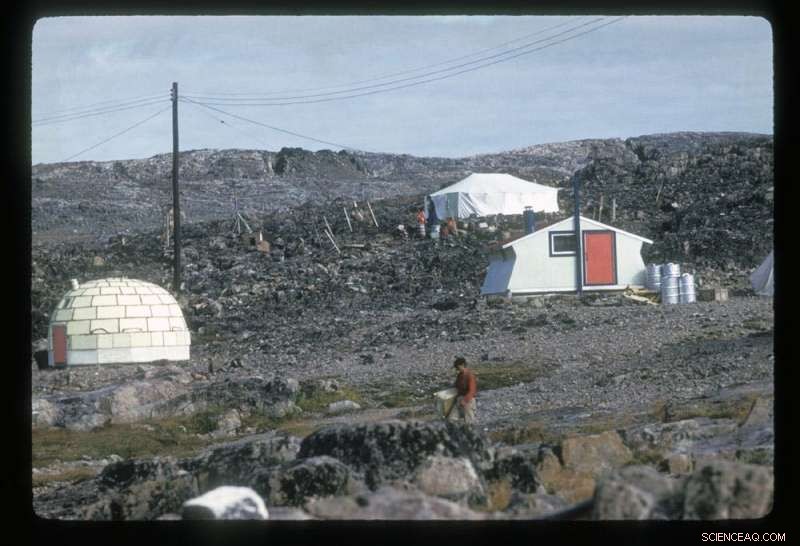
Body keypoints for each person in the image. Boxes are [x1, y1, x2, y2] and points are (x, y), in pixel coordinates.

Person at [448, 357, 477, 424]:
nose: (457, 369)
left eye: (458, 367)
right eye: (456, 368)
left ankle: (470, 433)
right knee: (451, 419)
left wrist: (465, 400)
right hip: (460, 399)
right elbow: (456, 386)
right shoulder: (460, 375)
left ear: (463, 365)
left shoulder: (470, 375)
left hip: (469, 401)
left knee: (469, 422)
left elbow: (472, 391)